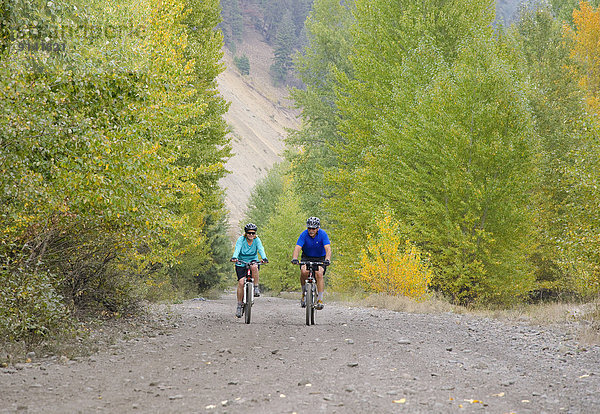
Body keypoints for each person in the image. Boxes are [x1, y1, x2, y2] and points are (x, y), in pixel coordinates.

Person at [291, 217, 331, 310]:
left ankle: (320, 299)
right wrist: (294, 258)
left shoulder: (323, 234)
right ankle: (304, 293)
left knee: (319, 273)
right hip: (307, 256)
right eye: (309, 228)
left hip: (320, 257)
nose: (311, 230)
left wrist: (327, 259)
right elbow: (297, 247)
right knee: (304, 271)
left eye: (313, 228)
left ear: (318, 228)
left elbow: (328, 248)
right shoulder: (304, 234)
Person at [231, 223, 268, 318]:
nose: (251, 235)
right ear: (246, 233)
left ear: (255, 233)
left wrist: (264, 257)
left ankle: (255, 287)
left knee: (254, 267)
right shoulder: (241, 240)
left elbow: (261, 249)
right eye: (249, 233)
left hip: (253, 260)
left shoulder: (257, 240)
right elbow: (237, 248)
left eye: (253, 233)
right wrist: (235, 257)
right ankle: (239, 305)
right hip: (241, 262)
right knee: (241, 282)